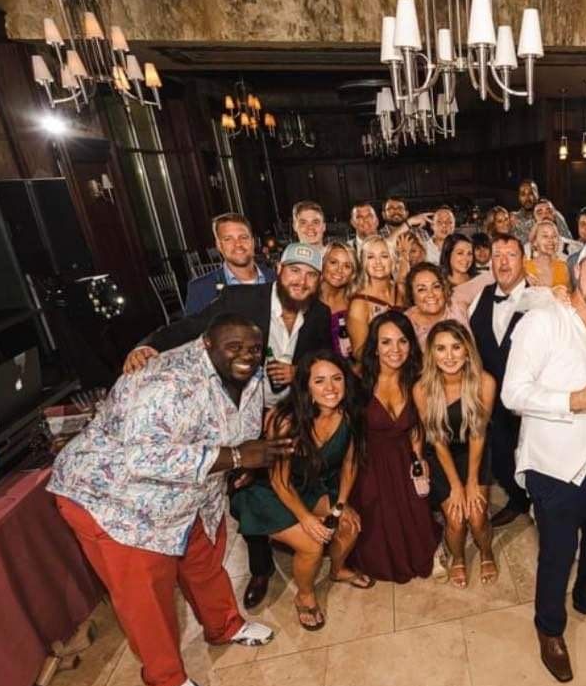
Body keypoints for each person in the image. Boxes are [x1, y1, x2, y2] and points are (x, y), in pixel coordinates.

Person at [50, 314, 287, 686]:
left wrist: (240, 464)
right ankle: (165, 679)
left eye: (253, 349)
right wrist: (232, 456)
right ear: (206, 344)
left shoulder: (252, 373)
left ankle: (224, 626)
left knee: (205, 562)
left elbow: (237, 429)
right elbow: (141, 458)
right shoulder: (163, 381)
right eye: (234, 347)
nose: (246, 355)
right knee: (145, 596)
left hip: (187, 495)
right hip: (116, 502)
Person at [124, 244, 332, 610]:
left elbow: (321, 359)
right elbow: (191, 327)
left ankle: (290, 535)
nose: (302, 281)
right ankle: (261, 570)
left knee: (281, 482)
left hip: (287, 417)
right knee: (244, 488)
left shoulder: (318, 314)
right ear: (279, 269)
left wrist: (299, 371)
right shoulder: (241, 298)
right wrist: (147, 346)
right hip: (239, 416)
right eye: (295, 271)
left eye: (311, 275)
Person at [503, 237, 586, 683]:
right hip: (555, 464)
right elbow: (512, 393)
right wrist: (577, 399)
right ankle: (550, 628)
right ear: (576, 271)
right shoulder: (543, 321)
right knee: (558, 553)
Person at [231, 351, 373, 631]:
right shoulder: (285, 419)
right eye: (319, 381)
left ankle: (337, 570)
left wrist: (341, 504)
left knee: (350, 526)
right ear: (306, 385)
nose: (330, 388)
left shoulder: (349, 415)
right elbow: (279, 480)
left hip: (310, 486)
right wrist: (306, 519)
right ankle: (304, 596)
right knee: (312, 545)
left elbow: (349, 464)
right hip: (269, 492)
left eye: (337, 379)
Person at [348, 311, 442, 583]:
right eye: (386, 342)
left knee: (416, 515)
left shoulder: (417, 378)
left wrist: (418, 456)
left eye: (402, 341)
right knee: (376, 517)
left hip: (404, 458)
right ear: (374, 347)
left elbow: (416, 425)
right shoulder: (358, 379)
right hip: (370, 460)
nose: (395, 350)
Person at [414, 320, 499, 588]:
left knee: (476, 515)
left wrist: (471, 482)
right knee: (455, 518)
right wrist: (454, 486)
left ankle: (486, 552)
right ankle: (459, 557)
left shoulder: (484, 382)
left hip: (474, 452)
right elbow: (436, 440)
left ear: (467, 350)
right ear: (431, 353)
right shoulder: (422, 388)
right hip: (441, 456)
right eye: (440, 348)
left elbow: (478, 434)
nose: (449, 356)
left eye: (456, 347)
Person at [467, 234, 540, 528]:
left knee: (533, 453)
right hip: (491, 397)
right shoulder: (480, 297)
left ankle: (539, 501)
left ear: (523, 260)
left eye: (511, 254)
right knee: (500, 453)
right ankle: (517, 499)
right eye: (498, 255)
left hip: (530, 397)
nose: (504, 262)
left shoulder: (541, 298)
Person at [185, 213, 274, 314]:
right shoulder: (200, 290)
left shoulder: (278, 279)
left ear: (253, 242)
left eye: (243, 237)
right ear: (219, 245)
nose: (238, 244)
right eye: (228, 239)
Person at [347, 235, 404, 360]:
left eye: (384, 256)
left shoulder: (401, 290)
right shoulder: (360, 303)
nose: (378, 262)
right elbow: (359, 353)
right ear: (364, 262)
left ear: (393, 260)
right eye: (371, 257)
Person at [404, 263, 470, 350]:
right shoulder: (405, 324)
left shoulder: (458, 307)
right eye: (421, 289)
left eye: (436, 286)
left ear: (444, 289)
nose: (431, 294)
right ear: (412, 296)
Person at [318, 242, 357, 360]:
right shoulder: (307, 299)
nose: (339, 270)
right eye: (333, 262)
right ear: (323, 264)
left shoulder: (355, 303)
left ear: (352, 273)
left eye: (347, 266)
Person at [525, 218, 570, 289]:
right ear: (534, 242)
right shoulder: (524, 269)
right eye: (545, 236)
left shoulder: (564, 267)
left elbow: (570, 297)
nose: (551, 240)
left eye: (554, 236)